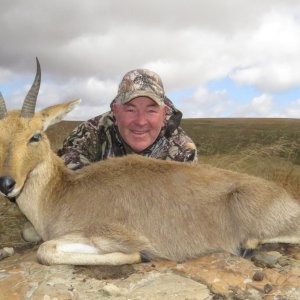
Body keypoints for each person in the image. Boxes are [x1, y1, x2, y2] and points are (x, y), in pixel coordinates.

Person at [58, 69, 198, 170]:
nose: (140, 121)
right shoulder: (88, 134)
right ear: (116, 111)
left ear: (164, 114)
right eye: (131, 110)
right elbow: (69, 185)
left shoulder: (182, 150)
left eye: (151, 111)